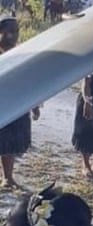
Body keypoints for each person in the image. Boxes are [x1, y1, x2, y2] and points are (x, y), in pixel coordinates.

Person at [0, 15, 40, 188]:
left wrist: (34, 104)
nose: (14, 35)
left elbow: (29, 80)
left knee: (9, 141)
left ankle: (7, 177)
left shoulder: (21, 53)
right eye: (9, 31)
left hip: (16, 103)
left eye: (16, 31)